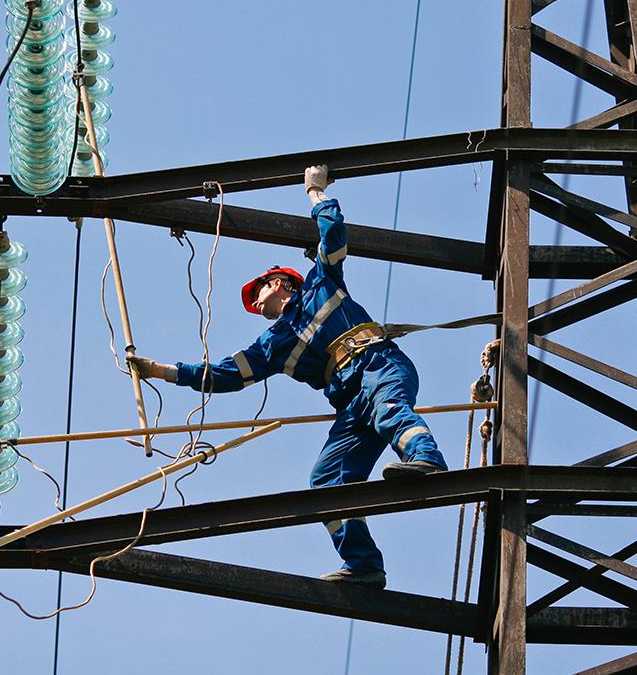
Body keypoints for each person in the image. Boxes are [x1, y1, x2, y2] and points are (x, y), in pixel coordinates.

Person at [128, 165, 447, 588]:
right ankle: (365, 565)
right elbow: (224, 374)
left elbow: (333, 234)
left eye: (258, 291)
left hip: (377, 365)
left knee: (388, 410)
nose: (254, 301)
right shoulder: (273, 344)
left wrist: (315, 192)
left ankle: (427, 460)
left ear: (280, 283)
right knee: (326, 481)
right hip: (351, 403)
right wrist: (162, 372)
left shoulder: (321, 284)